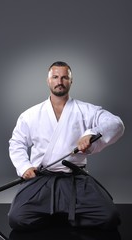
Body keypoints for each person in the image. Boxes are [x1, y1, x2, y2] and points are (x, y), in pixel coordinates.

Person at [8, 61, 125, 231]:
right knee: (17, 219)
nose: (59, 81)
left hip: (75, 179)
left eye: (64, 77)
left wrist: (91, 133)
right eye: (55, 77)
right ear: (48, 80)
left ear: (71, 81)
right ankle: (65, 218)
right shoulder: (30, 114)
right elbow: (16, 143)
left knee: (109, 218)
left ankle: (58, 217)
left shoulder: (85, 110)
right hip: (41, 179)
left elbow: (116, 124)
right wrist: (24, 166)